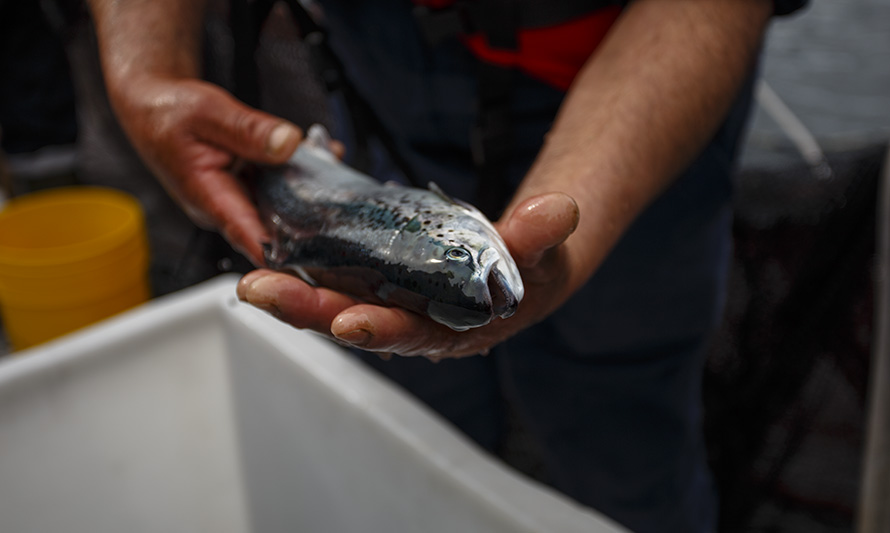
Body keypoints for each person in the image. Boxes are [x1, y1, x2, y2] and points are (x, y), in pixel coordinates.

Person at [85, 0, 806, 531]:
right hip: (373, 56)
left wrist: (577, 231)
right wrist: (145, 68)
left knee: (621, 421)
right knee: (416, 414)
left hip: (631, 77)